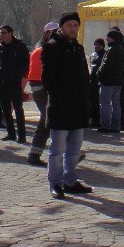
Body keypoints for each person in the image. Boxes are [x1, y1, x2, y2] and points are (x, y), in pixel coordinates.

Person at [43, 12, 94, 199]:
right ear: (62, 27)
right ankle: (55, 182)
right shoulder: (52, 47)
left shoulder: (78, 49)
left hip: (78, 107)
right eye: (69, 25)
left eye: (75, 25)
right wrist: (59, 98)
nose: (73, 28)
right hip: (60, 107)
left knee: (74, 149)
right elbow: (48, 79)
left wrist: (86, 100)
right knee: (57, 149)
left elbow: (84, 77)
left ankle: (70, 180)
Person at [26, 23, 58, 167]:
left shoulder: (46, 47)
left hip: (42, 86)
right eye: (53, 31)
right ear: (46, 33)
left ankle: (36, 153)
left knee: (48, 119)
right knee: (48, 118)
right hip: (41, 87)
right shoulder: (43, 49)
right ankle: (37, 153)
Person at [0, 25, 31, 143]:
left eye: (4, 33)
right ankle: (11, 133)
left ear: (10, 33)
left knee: (18, 109)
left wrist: (17, 73)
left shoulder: (19, 46)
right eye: (0, 33)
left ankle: (22, 135)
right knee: (5, 109)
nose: (1, 35)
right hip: (1, 82)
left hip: (14, 82)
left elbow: (26, 62)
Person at [97, 29, 124, 133]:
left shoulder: (111, 50)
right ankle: (116, 126)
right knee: (116, 104)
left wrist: (98, 74)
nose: (106, 38)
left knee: (105, 104)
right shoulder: (121, 49)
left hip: (108, 82)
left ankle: (106, 126)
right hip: (118, 81)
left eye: (108, 36)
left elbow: (105, 66)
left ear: (112, 38)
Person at [88, 38, 105, 128]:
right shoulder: (93, 55)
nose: (97, 47)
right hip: (92, 81)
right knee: (92, 101)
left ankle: (96, 121)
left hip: (99, 81)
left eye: (99, 45)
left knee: (98, 102)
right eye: (95, 45)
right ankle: (91, 120)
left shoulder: (104, 55)